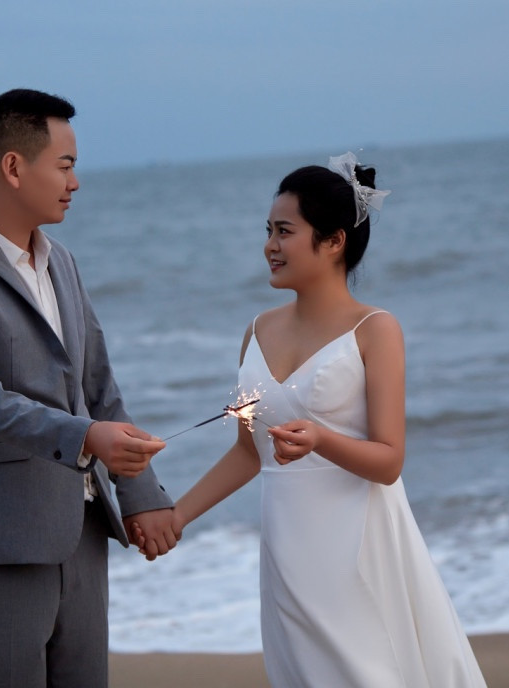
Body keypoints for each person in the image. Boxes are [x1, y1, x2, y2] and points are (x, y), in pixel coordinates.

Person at [135, 153, 487, 686]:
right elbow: (247, 453)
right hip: (287, 550)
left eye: (284, 231)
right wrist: (177, 516)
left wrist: (321, 438)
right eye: (268, 231)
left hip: (357, 547)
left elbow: (389, 461)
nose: (269, 246)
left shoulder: (376, 329)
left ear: (334, 241)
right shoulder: (257, 332)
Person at [0, 88, 179, 688]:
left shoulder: (62, 262)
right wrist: (88, 437)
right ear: (13, 166)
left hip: (82, 534)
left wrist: (142, 493)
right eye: (65, 165)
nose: (75, 182)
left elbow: (98, 385)